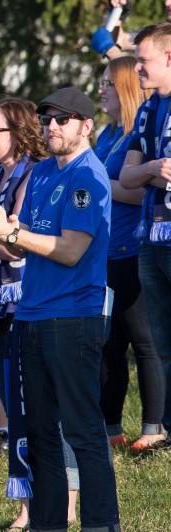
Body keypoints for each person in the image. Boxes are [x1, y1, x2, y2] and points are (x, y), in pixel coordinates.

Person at [0, 86, 121, 532]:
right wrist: (9, 228)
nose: (52, 127)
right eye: (47, 119)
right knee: (38, 434)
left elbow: (71, 250)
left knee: (82, 429)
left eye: (63, 119)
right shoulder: (44, 174)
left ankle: (99, 523)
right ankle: (48, 523)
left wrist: (12, 236)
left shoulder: (87, 178)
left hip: (73, 317)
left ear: (86, 125)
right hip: (32, 315)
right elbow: (32, 238)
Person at [0, 97, 80, 530]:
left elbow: (15, 243)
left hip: (23, 303)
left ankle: (63, 504)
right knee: (15, 411)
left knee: (42, 409)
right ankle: (27, 506)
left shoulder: (34, 173)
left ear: (19, 133)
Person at [97, 56, 167, 451]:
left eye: (108, 83)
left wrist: (102, 183)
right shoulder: (107, 135)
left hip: (132, 244)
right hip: (106, 250)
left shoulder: (133, 136)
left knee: (144, 341)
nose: (101, 90)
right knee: (111, 343)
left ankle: (153, 426)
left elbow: (139, 190)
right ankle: (111, 426)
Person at [120, 21, 171, 442]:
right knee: (163, 340)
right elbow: (127, 175)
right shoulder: (147, 109)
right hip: (149, 241)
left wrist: (145, 173)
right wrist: (154, 169)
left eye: (143, 61)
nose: (137, 69)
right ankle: (168, 427)